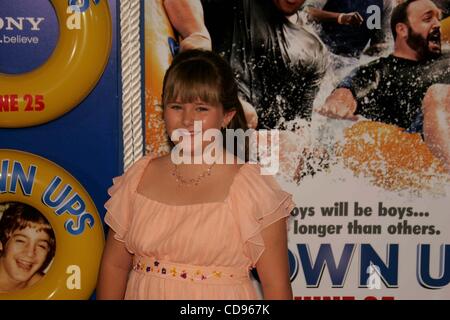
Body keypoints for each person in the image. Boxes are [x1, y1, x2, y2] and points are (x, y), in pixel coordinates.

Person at [97, 50, 295, 300]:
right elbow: (114, 266)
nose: (187, 120)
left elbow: (276, 288)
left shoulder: (252, 187)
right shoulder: (139, 175)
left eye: (201, 108)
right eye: (177, 106)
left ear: (226, 116)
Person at [164, 0, 328, 130]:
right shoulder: (239, 4)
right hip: (207, 111)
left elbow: (299, 127)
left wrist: (288, 144)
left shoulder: (314, 50)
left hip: (250, 147)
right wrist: (197, 34)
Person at [318, 0, 450, 133]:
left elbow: (380, 42)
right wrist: (338, 102)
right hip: (327, 55)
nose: (437, 24)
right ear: (402, 29)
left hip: (352, 56)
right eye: (428, 19)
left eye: (438, 18)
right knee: (437, 95)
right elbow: (348, 91)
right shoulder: (382, 70)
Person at [304, 0, 394, 57]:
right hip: (318, 52)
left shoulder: (386, 2)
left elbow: (382, 43)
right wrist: (340, 18)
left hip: (350, 63)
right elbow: (307, 11)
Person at [0, 203, 56, 292]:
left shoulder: (49, 289)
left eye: (41, 246)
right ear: (1, 243)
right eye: (21, 241)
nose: (30, 253)